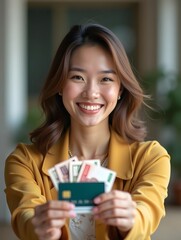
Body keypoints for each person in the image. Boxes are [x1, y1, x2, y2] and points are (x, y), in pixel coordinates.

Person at [4, 23, 171, 240]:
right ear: (60, 84)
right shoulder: (24, 161)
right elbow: (24, 216)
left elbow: (147, 212)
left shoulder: (151, 158)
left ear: (120, 89)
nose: (91, 92)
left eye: (106, 79)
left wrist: (132, 219)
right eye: (77, 77)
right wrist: (38, 226)